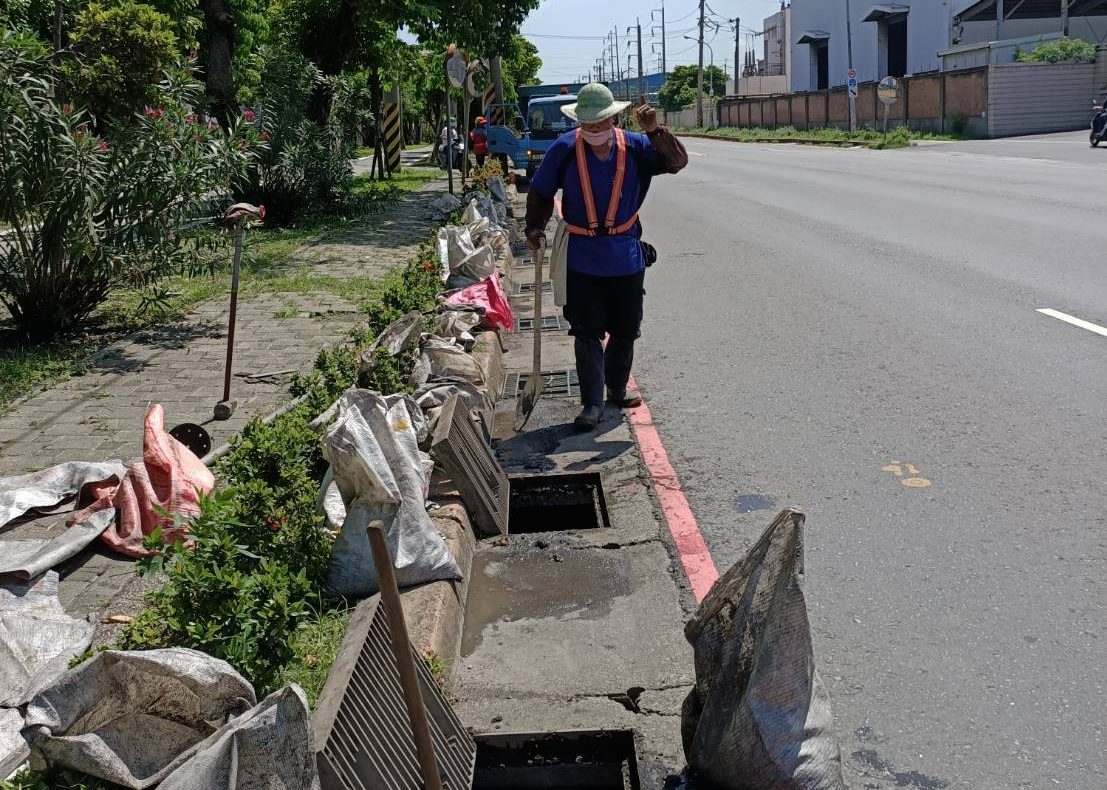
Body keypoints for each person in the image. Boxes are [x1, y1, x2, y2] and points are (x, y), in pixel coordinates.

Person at [525, 83, 687, 431]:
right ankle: (592, 403)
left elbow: (676, 162)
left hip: (626, 256)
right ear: (578, 120)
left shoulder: (637, 146)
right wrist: (534, 228)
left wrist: (655, 130)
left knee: (626, 329)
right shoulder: (564, 148)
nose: (595, 128)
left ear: (614, 116)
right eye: (588, 122)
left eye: (601, 121)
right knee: (586, 332)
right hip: (582, 258)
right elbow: (540, 191)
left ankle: (616, 388)